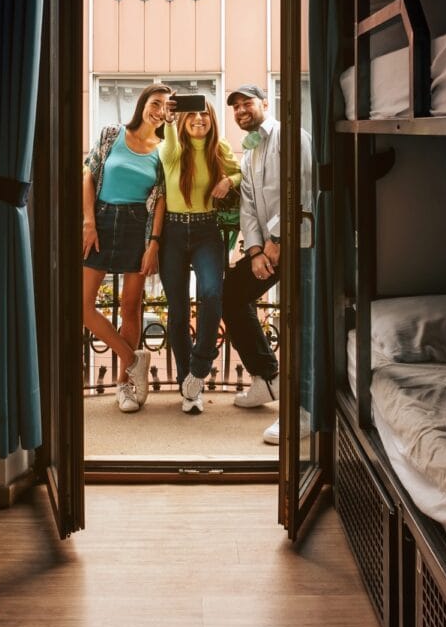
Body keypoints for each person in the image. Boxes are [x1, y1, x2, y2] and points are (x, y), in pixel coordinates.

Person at [222, 83, 312, 444]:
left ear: (264, 103)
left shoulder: (291, 136)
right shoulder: (249, 154)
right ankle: (266, 378)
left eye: (247, 104)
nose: (242, 111)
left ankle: (304, 411)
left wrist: (277, 241)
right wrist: (257, 251)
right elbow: (248, 208)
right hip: (270, 250)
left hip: (304, 244)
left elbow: (304, 188)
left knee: (303, 323)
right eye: (236, 107)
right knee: (231, 293)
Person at [82, 84, 171, 413]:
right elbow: (88, 175)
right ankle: (133, 359)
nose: (159, 110)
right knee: (83, 306)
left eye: (166, 106)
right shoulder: (111, 133)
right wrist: (89, 222)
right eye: (155, 102)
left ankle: (125, 386)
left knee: (130, 306)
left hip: (138, 225)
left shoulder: (164, 149)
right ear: (143, 103)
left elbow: (160, 200)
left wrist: (153, 244)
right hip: (102, 221)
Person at [158, 98, 241, 414]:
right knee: (177, 310)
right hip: (173, 234)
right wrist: (167, 119)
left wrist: (227, 180)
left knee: (210, 293)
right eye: (191, 113)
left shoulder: (219, 147)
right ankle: (188, 388)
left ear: (212, 118)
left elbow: (240, 173)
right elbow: (166, 144)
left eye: (204, 113)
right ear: (182, 119)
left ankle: (199, 367)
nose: (198, 118)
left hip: (207, 230)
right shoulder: (173, 149)